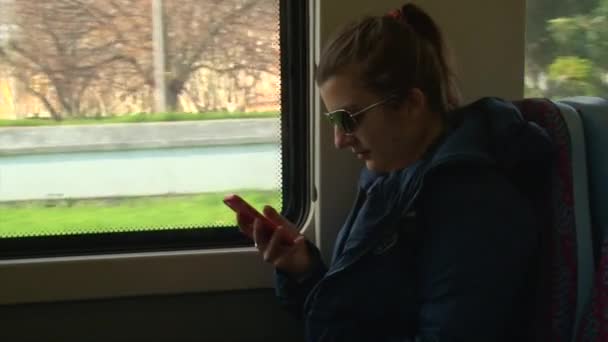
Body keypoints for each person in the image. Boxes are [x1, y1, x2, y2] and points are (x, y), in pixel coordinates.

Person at [235, 3, 552, 341]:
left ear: (412, 105)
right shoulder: (391, 181)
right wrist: (301, 270)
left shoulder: (476, 207)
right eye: (334, 121)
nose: (339, 140)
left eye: (349, 119)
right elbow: (352, 318)